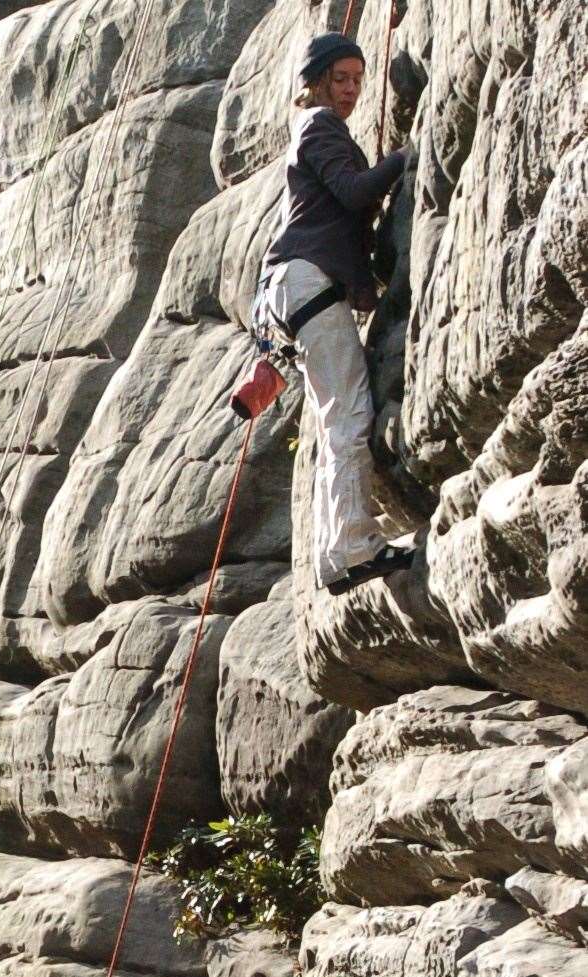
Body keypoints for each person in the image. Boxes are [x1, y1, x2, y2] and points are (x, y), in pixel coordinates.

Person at [254, 31, 413, 595]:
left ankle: (334, 555)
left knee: (332, 421)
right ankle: (353, 547)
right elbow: (350, 191)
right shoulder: (319, 125)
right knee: (348, 417)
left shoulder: (313, 130)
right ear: (315, 82)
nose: (349, 91)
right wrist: (403, 159)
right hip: (309, 283)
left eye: (356, 81)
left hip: (295, 289)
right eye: (339, 79)